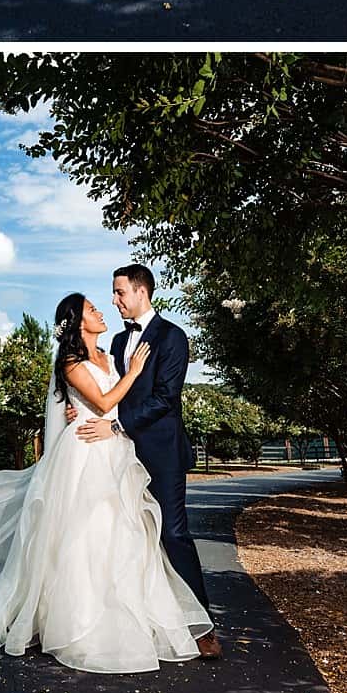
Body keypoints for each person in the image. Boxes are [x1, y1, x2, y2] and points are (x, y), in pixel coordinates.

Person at [0, 290, 213, 673]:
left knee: (121, 533)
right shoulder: (71, 360)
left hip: (113, 449)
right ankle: (78, 622)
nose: (103, 308)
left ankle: (132, 616)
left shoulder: (107, 353)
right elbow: (108, 401)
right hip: (84, 453)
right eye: (93, 308)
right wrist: (132, 375)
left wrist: (104, 399)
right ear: (78, 322)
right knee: (83, 534)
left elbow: (112, 402)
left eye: (112, 297)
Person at [66, 263, 222, 658]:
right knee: (130, 539)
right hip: (118, 456)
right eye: (113, 293)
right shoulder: (116, 343)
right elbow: (108, 389)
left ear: (141, 292)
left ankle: (202, 627)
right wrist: (79, 411)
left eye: (119, 292)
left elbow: (165, 398)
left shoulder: (172, 337)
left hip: (161, 451)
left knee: (172, 534)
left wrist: (114, 425)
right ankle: (142, 623)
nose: (114, 300)